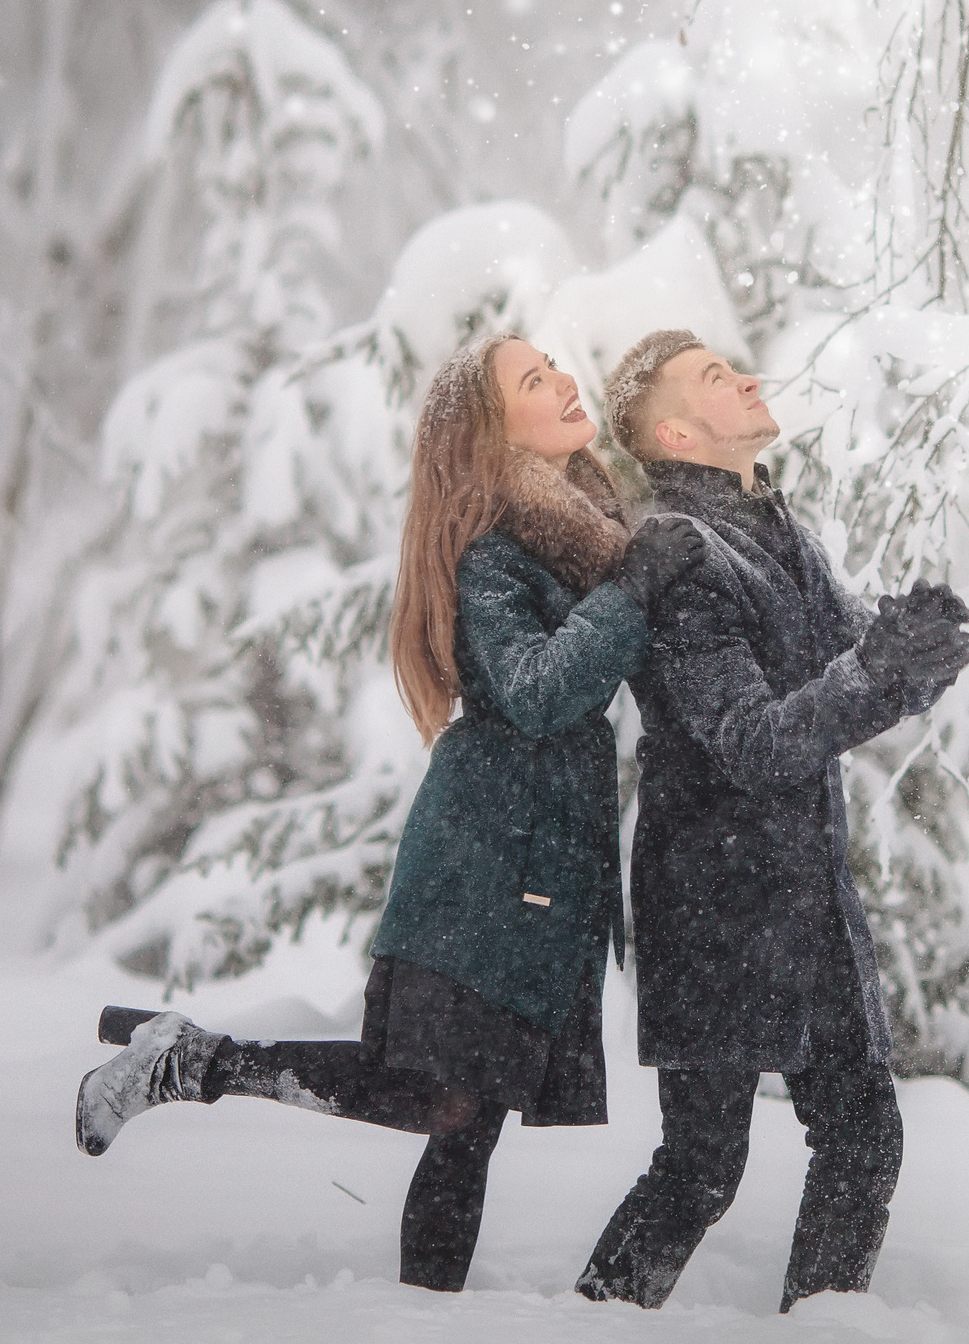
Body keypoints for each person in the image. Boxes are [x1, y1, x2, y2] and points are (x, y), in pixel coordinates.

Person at [70, 332, 703, 1292]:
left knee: (466, 1118)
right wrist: (630, 593)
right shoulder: (496, 549)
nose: (564, 380)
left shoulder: (580, 535)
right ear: (492, 434)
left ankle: (205, 1074)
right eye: (534, 381)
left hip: (535, 874)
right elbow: (534, 689)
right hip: (488, 867)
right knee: (443, 1103)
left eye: (552, 365)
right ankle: (193, 1062)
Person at [576, 329, 969, 1313]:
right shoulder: (676, 553)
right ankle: (591, 1321)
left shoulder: (778, 530)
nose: (748, 376)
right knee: (701, 1171)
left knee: (861, 1134)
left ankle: (822, 1329)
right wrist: (880, 669)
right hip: (714, 899)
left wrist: (913, 652)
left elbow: (848, 680)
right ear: (672, 428)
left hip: (804, 890)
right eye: (715, 376)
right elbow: (755, 740)